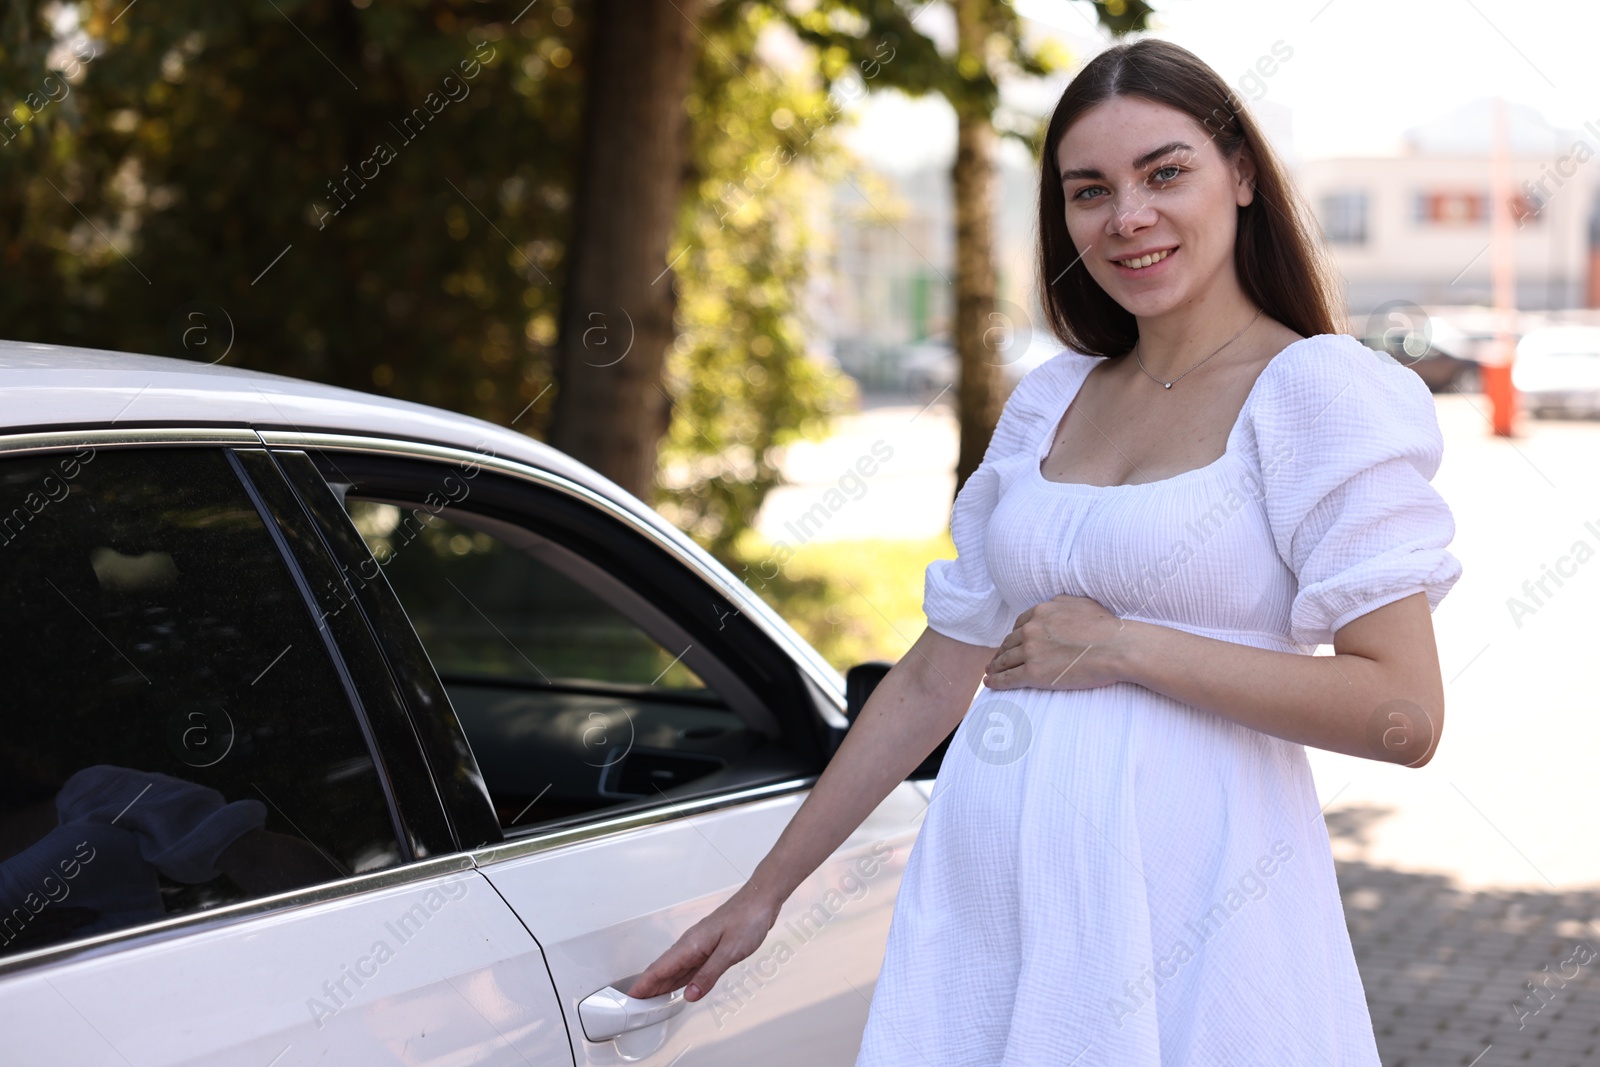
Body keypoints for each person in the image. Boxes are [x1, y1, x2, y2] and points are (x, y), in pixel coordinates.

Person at [628, 37, 1462, 1065]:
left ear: (1240, 174)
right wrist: (764, 892)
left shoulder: (1317, 393)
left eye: (1165, 172)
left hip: (1193, 913)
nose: (1128, 218)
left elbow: (1404, 714)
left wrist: (1126, 648)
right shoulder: (1050, 398)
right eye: (1088, 190)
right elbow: (937, 672)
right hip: (995, 913)